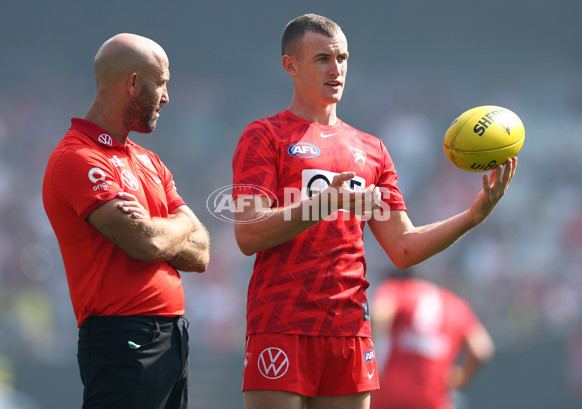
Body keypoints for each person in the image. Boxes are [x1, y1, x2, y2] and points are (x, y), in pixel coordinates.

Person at [231, 13, 516, 409]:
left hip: (350, 330)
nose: (337, 69)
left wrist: (471, 216)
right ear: (290, 65)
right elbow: (248, 233)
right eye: (322, 59)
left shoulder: (371, 149)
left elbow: (403, 247)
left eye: (343, 58)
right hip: (282, 324)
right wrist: (323, 203)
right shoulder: (264, 136)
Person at [42, 33, 210, 409]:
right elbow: (145, 243)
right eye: (161, 83)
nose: (166, 97)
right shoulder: (78, 157)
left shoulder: (148, 160)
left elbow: (201, 253)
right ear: (133, 83)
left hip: (172, 337)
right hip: (123, 337)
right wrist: (180, 222)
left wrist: (158, 225)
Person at [370, 268, 495, 409]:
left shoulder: (398, 289)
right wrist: (459, 379)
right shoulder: (456, 305)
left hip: (390, 393)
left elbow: (378, 315)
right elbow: (482, 350)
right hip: (433, 398)